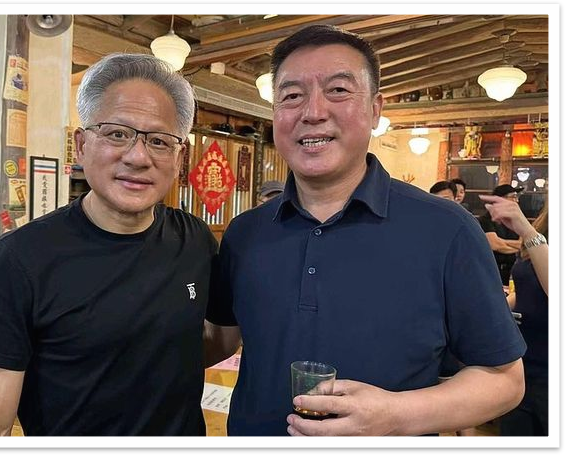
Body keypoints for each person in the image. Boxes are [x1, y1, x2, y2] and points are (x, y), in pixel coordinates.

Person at [204, 25, 526, 436]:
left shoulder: (447, 228)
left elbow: (505, 381)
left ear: (375, 110)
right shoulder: (245, 233)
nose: (313, 111)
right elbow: (221, 339)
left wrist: (396, 414)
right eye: (292, 95)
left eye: (338, 90)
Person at [0, 53, 218, 436]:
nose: (138, 157)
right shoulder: (19, 259)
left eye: (160, 141)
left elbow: (211, 341)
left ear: (180, 157)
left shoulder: (194, 239)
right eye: (117, 134)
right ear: (80, 145)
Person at [479, 195, 548, 436]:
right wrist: (493, 308)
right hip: (521, 362)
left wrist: (528, 232)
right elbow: (526, 290)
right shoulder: (543, 229)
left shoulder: (534, 234)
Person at [478, 184, 524, 286]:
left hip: (513, 270)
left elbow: (523, 244)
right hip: (493, 270)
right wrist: (517, 246)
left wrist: (503, 242)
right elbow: (495, 245)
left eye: (517, 197)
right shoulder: (486, 220)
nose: (516, 201)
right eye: (513, 197)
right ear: (500, 199)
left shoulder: (516, 220)